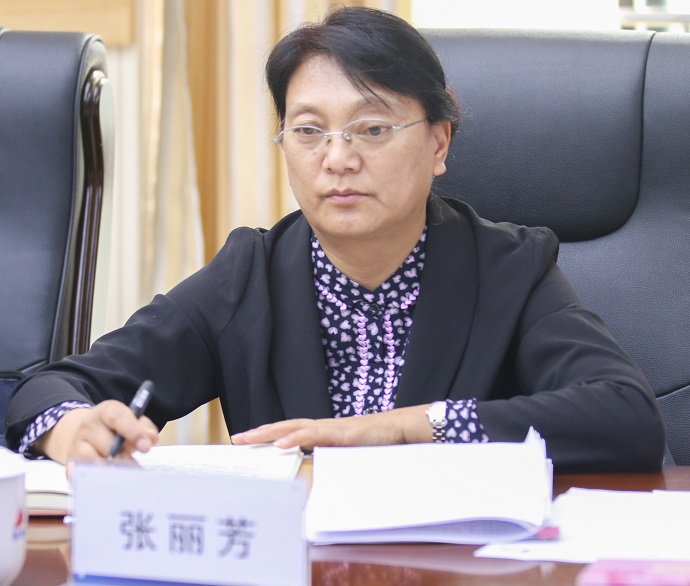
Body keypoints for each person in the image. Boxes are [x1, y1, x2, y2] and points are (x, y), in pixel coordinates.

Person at [6, 6, 665, 473]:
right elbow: (48, 388)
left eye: (371, 129)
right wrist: (71, 427)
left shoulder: (510, 268)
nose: (337, 158)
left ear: (439, 143)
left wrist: (406, 428)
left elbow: (626, 417)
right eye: (308, 131)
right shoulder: (250, 275)